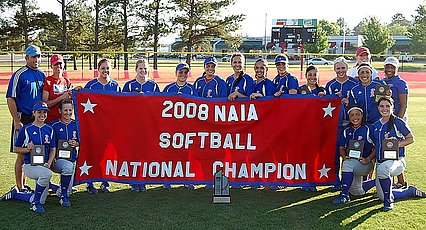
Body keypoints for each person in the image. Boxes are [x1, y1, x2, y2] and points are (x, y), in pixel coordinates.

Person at [1, 102, 56, 213]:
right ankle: (35, 204)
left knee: (42, 199)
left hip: (43, 166)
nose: (42, 115)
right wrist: (27, 149)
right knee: (47, 174)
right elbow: (16, 148)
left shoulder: (49, 129)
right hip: (29, 166)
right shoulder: (26, 129)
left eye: (44, 112)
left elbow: (53, 149)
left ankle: (17, 194)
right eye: (39, 112)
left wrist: (49, 162)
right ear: (33, 113)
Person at [373, 97, 426, 211]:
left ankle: (389, 202)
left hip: (397, 161)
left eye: (388, 106)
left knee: (383, 171)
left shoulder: (398, 122)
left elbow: (411, 138)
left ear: (393, 107)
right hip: (381, 162)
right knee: (381, 195)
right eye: (382, 106)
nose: (385, 108)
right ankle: (409, 191)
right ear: (378, 108)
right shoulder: (376, 125)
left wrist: (398, 144)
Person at [6, 44, 46, 192]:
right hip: (23, 118)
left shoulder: (42, 75)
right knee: (21, 155)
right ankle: (20, 187)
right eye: (34, 57)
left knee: (36, 153)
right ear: (27, 58)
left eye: (39, 56)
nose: (36, 59)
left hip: (37, 119)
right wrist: (17, 120)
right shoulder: (20, 74)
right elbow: (10, 98)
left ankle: (30, 184)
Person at [84, 59, 120, 193]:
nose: (105, 71)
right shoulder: (91, 85)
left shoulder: (115, 85)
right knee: (93, 154)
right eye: (103, 68)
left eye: (108, 68)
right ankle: (90, 183)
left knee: (107, 154)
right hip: (94, 127)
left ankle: (105, 182)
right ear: (98, 69)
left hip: (109, 127)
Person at [325, 57, 359, 190]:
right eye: (338, 68)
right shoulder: (330, 85)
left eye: (343, 68)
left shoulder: (354, 83)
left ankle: (352, 181)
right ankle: (335, 179)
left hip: (351, 124)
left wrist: (348, 102)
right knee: (335, 151)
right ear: (334, 69)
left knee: (351, 150)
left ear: (347, 68)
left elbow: (358, 103)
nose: (341, 71)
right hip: (334, 124)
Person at [332, 105, 376, 204]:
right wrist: (344, 156)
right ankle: (377, 181)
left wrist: (368, 159)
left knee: (347, 164)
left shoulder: (368, 128)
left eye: (357, 114)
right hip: (353, 164)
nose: (355, 117)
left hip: (365, 164)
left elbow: (377, 147)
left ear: (362, 115)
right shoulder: (347, 130)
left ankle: (344, 196)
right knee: (357, 192)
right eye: (352, 115)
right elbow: (342, 148)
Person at [382, 56, 409, 189]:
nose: (389, 69)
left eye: (392, 67)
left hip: (397, 119)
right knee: (388, 148)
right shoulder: (382, 81)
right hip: (386, 119)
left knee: (395, 149)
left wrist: (396, 122)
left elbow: (403, 105)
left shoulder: (401, 83)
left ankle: (401, 181)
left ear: (396, 68)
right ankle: (396, 181)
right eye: (387, 66)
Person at [49, 98, 79, 203]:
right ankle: (64, 197)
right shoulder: (53, 125)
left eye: (70, 110)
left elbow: (82, 141)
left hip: (71, 159)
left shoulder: (76, 124)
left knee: (66, 190)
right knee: (68, 167)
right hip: (57, 161)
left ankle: (53, 186)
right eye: (65, 110)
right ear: (60, 111)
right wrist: (51, 159)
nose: (68, 113)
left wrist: (77, 143)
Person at [42, 54, 72, 123]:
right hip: (51, 120)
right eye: (55, 64)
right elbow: (45, 104)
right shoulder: (48, 81)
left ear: (63, 64)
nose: (58, 66)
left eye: (60, 63)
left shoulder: (66, 81)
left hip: (64, 121)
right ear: (51, 66)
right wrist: (61, 97)